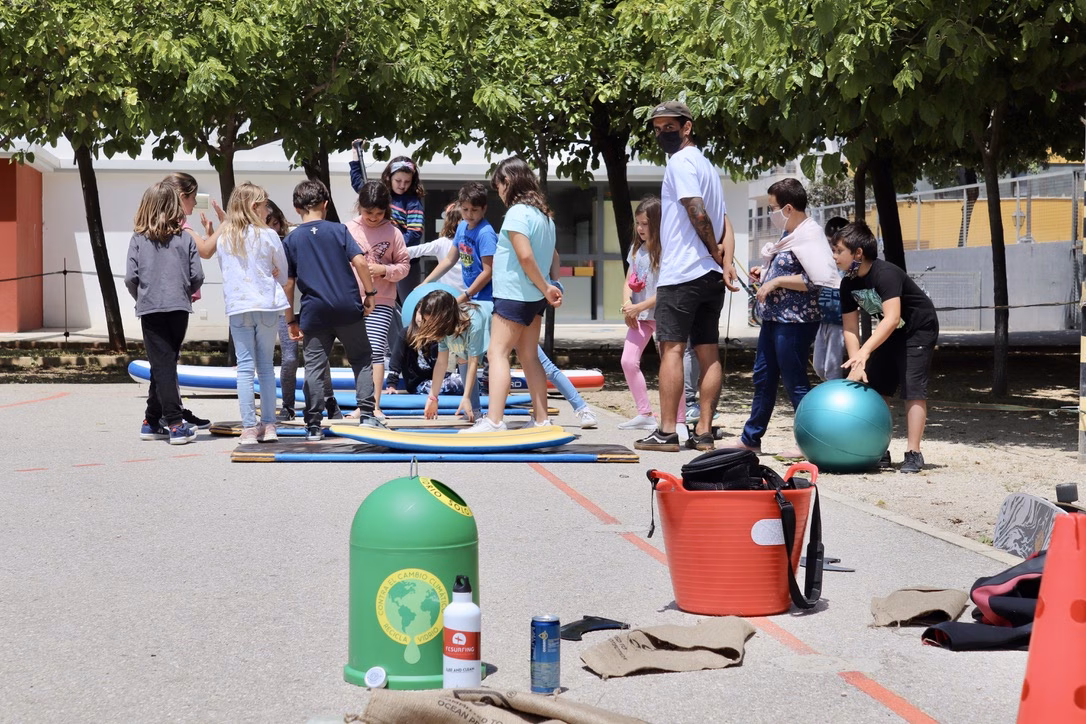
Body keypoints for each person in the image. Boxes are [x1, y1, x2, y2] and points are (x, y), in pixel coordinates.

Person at [635, 100, 737, 453]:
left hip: (683, 273)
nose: (662, 134)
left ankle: (667, 432)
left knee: (672, 349)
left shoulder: (680, 162)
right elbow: (725, 222)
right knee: (708, 351)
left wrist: (714, 251)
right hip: (710, 276)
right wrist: (724, 261)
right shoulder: (707, 166)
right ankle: (704, 432)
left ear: (687, 127)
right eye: (657, 129)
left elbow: (697, 211)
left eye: (669, 127)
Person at [733, 178, 841, 458]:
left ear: (789, 208)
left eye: (772, 208)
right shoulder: (790, 235)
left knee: (795, 380)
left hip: (795, 322)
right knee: (763, 377)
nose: (771, 213)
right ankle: (750, 439)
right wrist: (765, 275)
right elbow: (788, 268)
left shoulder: (811, 235)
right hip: (773, 319)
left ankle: (809, 441)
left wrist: (776, 281)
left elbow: (817, 280)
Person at [833, 221, 939, 474]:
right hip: (891, 330)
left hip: (918, 329)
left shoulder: (886, 274)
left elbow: (892, 318)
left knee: (913, 388)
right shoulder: (847, 284)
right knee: (877, 387)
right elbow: (850, 328)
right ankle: (879, 448)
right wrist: (856, 362)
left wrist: (865, 351)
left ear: (858, 253)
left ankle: (913, 453)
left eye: (839, 251)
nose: (834, 256)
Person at [465, 157, 561, 432]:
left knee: (497, 353)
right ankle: (541, 419)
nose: (499, 193)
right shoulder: (544, 216)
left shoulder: (518, 213)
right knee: (529, 355)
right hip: (534, 298)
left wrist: (547, 287)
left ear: (508, 181)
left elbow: (525, 256)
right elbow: (554, 256)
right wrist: (550, 286)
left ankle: (494, 420)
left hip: (514, 294)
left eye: (499, 186)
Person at [281, 179, 381, 441]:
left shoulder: (291, 240)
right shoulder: (339, 230)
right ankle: (368, 415)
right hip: (348, 307)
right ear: (325, 205)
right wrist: (370, 294)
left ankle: (313, 424)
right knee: (361, 359)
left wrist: (290, 319)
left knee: (314, 367)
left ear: (296, 208)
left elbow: (288, 284)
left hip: (315, 312)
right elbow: (361, 262)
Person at [124, 182, 204, 445]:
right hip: (179, 307)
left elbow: (130, 278)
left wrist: (142, 297)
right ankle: (173, 423)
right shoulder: (185, 238)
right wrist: (183, 292)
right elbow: (197, 276)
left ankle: (154, 421)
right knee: (165, 363)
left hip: (150, 308)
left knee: (163, 363)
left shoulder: (138, 239)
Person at [215, 183, 290, 445]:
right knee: (266, 367)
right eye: (265, 205)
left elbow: (225, 270)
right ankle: (269, 425)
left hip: (239, 307)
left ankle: (248, 427)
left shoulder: (224, 237)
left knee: (245, 369)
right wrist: (272, 272)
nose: (268, 210)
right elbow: (283, 272)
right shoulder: (268, 235)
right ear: (254, 206)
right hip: (267, 305)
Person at [618, 196, 683, 431]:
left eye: (645, 223)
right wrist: (627, 305)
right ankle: (644, 413)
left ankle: (679, 420)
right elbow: (629, 280)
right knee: (628, 361)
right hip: (640, 317)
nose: (640, 228)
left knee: (671, 365)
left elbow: (666, 290)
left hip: (663, 315)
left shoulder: (668, 251)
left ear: (657, 223)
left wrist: (639, 307)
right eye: (638, 223)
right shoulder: (637, 249)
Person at [346, 181, 410, 419]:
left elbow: (404, 266)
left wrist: (384, 270)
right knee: (358, 353)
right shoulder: (348, 229)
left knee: (375, 350)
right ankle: (363, 402)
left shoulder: (393, 233)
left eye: (379, 213)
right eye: (368, 213)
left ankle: (373, 405)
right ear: (359, 207)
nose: (373, 218)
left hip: (382, 299)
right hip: (352, 299)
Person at [161, 171, 220, 429]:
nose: (195, 203)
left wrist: (208, 234)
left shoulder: (165, 224)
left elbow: (201, 249)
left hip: (162, 300)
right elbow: (205, 251)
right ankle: (169, 414)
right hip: (174, 301)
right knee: (167, 360)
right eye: (193, 197)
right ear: (182, 196)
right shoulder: (179, 226)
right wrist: (226, 225)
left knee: (165, 359)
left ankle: (167, 411)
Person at [348, 143, 425, 299]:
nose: (402, 185)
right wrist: (355, 155)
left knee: (408, 303)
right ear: (389, 177)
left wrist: (392, 243)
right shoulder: (380, 194)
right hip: (376, 257)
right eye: (398, 180)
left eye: (407, 182)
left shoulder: (413, 202)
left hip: (404, 259)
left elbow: (415, 233)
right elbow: (359, 184)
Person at [412, 289, 490, 422]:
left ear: (443, 317)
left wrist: (466, 397)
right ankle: (475, 411)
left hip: (495, 323)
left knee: (499, 358)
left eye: (432, 322)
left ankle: (494, 416)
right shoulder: (443, 328)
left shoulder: (473, 323)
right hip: (465, 331)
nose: (430, 326)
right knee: (462, 357)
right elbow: (441, 363)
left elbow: (473, 362)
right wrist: (432, 397)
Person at [423, 182, 497, 302]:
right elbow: (449, 260)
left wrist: (466, 296)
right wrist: (426, 282)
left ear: (484, 209)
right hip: (470, 294)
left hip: (485, 298)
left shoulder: (485, 233)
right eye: (465, 209)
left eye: (474, 210)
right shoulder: (462, 226)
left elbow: (488, 272)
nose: (469, 214)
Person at [813, 216, 849, 382]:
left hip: (840, 321)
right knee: (819, 367)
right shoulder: (823, 260)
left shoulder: (850, 265)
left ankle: (835, 393)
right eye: (829, 243)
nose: (832, 248)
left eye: (836, 245)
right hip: (823, 319)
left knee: (832, 368)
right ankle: (831, 390)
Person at [409, 202, 465, 290]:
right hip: (467, 293)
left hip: (448, 293)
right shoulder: (442, 243)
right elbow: (416, 250)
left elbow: (415, 251)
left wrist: (393, 252)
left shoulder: (442, 243)